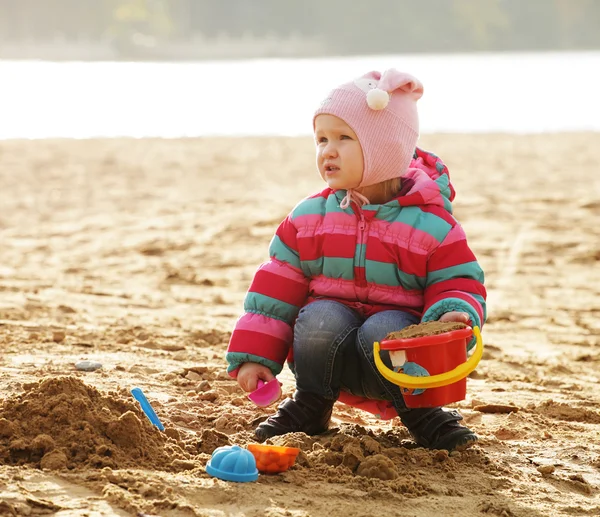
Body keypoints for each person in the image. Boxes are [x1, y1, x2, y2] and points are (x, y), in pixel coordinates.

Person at [225, 69, 487, 451]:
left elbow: (458, 280)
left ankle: (423, 413)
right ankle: (312, 404)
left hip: (402, 363)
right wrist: (255, 356)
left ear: (385, 148)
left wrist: (450, 312)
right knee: (319, 316)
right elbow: (274, 290)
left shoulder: (432, 225)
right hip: (330, 360)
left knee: (385, 325)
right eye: (321, 139)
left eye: (344, 138)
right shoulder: (309, 218)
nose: (327, 150)